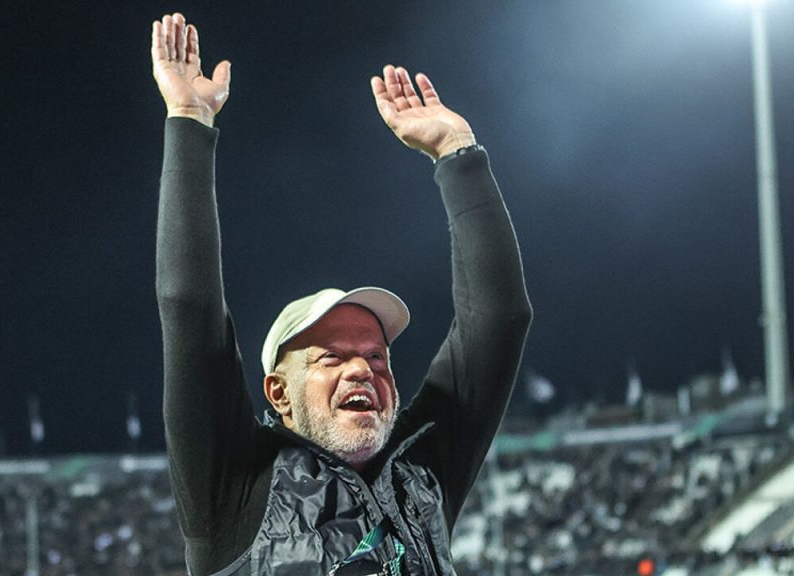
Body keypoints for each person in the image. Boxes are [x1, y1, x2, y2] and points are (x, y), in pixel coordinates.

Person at [152, 12, 531, 576]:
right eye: (331, 357)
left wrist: (457, 152)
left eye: (376, 357)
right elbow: (191, 311)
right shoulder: (233, 486)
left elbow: (499, 319)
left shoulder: (423, 472)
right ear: (279, 393)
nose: (362, 370)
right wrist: (189, 119)